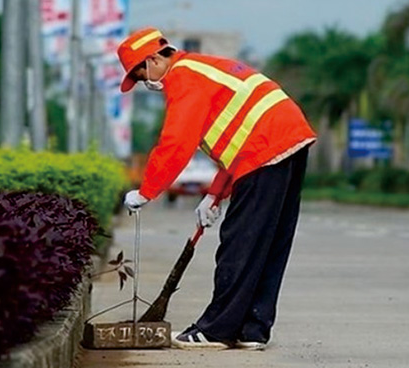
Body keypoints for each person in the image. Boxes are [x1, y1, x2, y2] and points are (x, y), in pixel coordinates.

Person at [118, 27, 316, 350]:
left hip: (266, 147)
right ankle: (253, 328)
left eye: (142, 75)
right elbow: (236, 137)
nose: (147, 84)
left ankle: (216, 329)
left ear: (153, 59)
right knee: (271, 241)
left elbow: (176, 143)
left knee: (240, 240)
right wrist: (214, 194)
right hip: (289, 139)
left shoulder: (183, 78)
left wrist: (146, 191)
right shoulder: (202, 69)